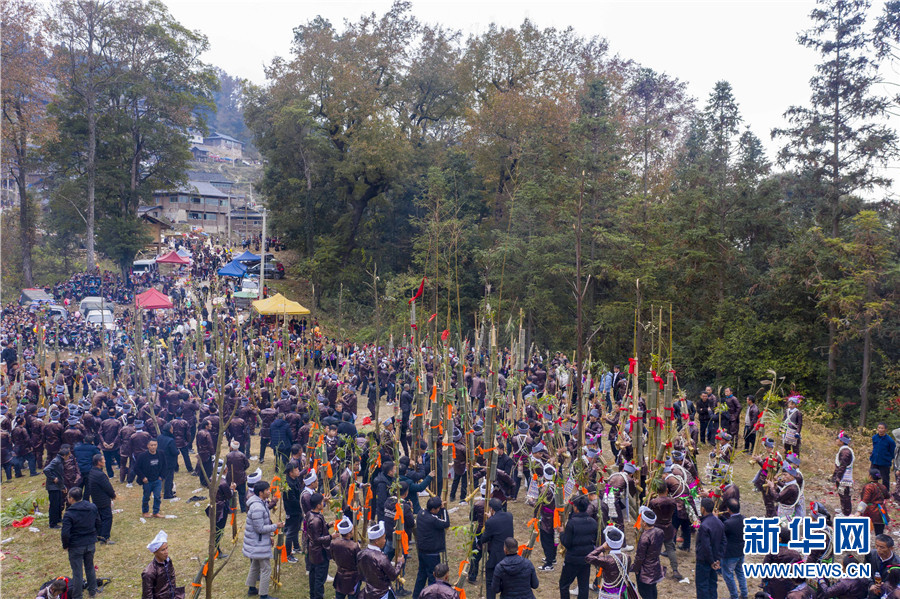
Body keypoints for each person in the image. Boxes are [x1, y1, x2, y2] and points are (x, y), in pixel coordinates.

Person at [242, 480, 283, 599]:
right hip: (258, 542)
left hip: (258, 541)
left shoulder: (261, 502)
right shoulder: (257, 507)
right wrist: (276, 526)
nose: (269, 492)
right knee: (266, 568)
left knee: (255, 564)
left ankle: (251, 588)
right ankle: (263, 595)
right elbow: (259, 528)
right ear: (261, 493)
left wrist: (270, 534)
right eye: (267, 490)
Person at [60, 487, 100, 599]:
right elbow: (98, 522)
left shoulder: (69, 514)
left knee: (77, 572)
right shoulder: (92, 507)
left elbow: (65, 533)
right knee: (90, 567)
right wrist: (95, 536)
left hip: (76, 545)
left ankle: (77, 596)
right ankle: (93, 590)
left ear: (71, 498)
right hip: (90, 542)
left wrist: (65, 545)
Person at [558, 495, 597, 599]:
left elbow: (567, 543)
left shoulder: (572, 523)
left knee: (564, 584)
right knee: (583, 586)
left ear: (575, 507)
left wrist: (561, 533)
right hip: (586, 559)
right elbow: (595, 540)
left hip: (572, 560)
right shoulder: (593, 522)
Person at [414, 497, 450, 599]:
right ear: (434, 509)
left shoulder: (421, 514)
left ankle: (416, 596)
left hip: (422, 551)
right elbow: (446, 523)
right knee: (432, 578)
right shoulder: (433, 520)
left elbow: (436, 518)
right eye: (438, 508)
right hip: (432, 554)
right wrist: (444, 510)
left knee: (421, 576)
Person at [358, 521, 404, 599]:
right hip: (382, 594)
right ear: (376, 541)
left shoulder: (361, 554)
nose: (385, 540)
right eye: (383, 538)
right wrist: (400, 563)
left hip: (369, 591)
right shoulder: (381, 558)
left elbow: (361, 573)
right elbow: (393, 575)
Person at [482, 498, 515, 599]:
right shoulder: (509, 516)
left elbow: (484, 538)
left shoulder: (490, 522)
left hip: (496, 555)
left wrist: (490, 519)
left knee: (490, 581)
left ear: (491, 509)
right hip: (509, 552)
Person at [304, 492, 333, 599]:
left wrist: (327, 526)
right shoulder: (315, 520)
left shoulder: (310, 514)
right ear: (318, 505)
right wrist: (331, 537)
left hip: (313, 552)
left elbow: (315, 532)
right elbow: (316, 539)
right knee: (319, 579)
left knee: (313, 576)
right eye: (322, 502)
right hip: (320, 553)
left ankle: (313, 596)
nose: (323, 504)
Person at [695, 497, 725, 599]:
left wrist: (711, 561)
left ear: (703, 509)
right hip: (715, 560)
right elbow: (723, 542)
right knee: (712, 584)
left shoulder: (704, 526)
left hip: (705, 561)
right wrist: (718, 559)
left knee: (702, 586)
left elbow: (706, 547)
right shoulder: (719, 522)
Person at [631, 506, 663, 599]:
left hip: (645, 570)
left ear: (644, 523)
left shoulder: (645, 537)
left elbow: (640, 557)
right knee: (653, 588)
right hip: (655, 565)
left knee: (645, 592)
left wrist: (636, 568)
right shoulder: (659, 531)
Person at [142, 530, 185, 599]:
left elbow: (172, 578)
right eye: (162, 550)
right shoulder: (149, 572)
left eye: (166, 548)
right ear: (155, 552)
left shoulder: (168, 561)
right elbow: (147, 595)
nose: (166, 552)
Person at [86, 454, 116, 544]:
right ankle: (105, 538)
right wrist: (113, 495)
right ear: (99, 462)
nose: (105, 461)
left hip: (96, 499)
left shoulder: (92, 472)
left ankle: (99, 535)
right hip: (103, 500)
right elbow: (108, 487)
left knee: (100, 518)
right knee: (107, 518)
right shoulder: (100, 475)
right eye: (103, 460)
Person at [720, 498, 747, 599]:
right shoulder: (744, 519)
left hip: (730, 554)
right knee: (740, 573)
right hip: (741, 551)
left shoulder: (728, 524)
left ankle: (734, 596)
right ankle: (744, 594)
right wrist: (722, 517)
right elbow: (732, 524)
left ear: (728, 509)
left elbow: (721, 531)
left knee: (728, 575)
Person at [135, 439, 167, 518]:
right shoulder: (142, 456)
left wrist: (161, 477)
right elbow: (136, 468)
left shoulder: (161, 454)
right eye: (151, 445)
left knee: (157, 496)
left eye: (155, 445)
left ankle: (155, 512)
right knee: (146, 497)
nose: (153, 447)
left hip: (157, 480)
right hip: (147, 481)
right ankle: (145, 511)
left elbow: (165, 466)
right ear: (148, 446)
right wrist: (143, 477)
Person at [332, 516, 361, 599]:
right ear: (349, 533)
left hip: (340, 575)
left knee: (339, 596)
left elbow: (333, 556)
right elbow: (358, 561)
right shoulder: (354, 546)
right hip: (353, 578)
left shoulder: (334, 543)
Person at [44, 444, 70, 529]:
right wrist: (53, 478)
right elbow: (46, 470)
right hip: (53, 487)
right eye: (68, 456)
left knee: (58, 503)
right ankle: (52, 523)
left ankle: (58, 519)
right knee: (54, 505)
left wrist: (62, 486)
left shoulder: (60, 460)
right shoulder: (56, 461)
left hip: (57, 486)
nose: (68, 458)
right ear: (64, 455)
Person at [859, 468, 889, 535]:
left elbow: (865, 500)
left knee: (865, 532)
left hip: (870, 512)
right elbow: (887, 496)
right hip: (881, 512)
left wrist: (859, 511)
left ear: (870, 476)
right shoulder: (883, 487)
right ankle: (879, 544)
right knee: (879, 533)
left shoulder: (868, 487)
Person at [832, 430, 854, 517]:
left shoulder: (845, 452)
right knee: (842, 494)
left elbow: (843, 465)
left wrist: (838, 477)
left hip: (845, 477)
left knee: (845, 495)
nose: (836, 440)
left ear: (841, 441)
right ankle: (843, 509)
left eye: (837, 439)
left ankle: (846, 513)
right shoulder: (844, 450)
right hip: (842, 476)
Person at [871, 423, 895, 492]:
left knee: (885, 478)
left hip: (884, 462)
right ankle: (873, 491)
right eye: (879, 428)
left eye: (882, 428)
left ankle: (885, 493)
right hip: (875, 461)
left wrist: (889, 459)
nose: (880, 430)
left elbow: (892, 452)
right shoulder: (874, 437)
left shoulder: (890, 440)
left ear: (885, 430)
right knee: (874, 476)